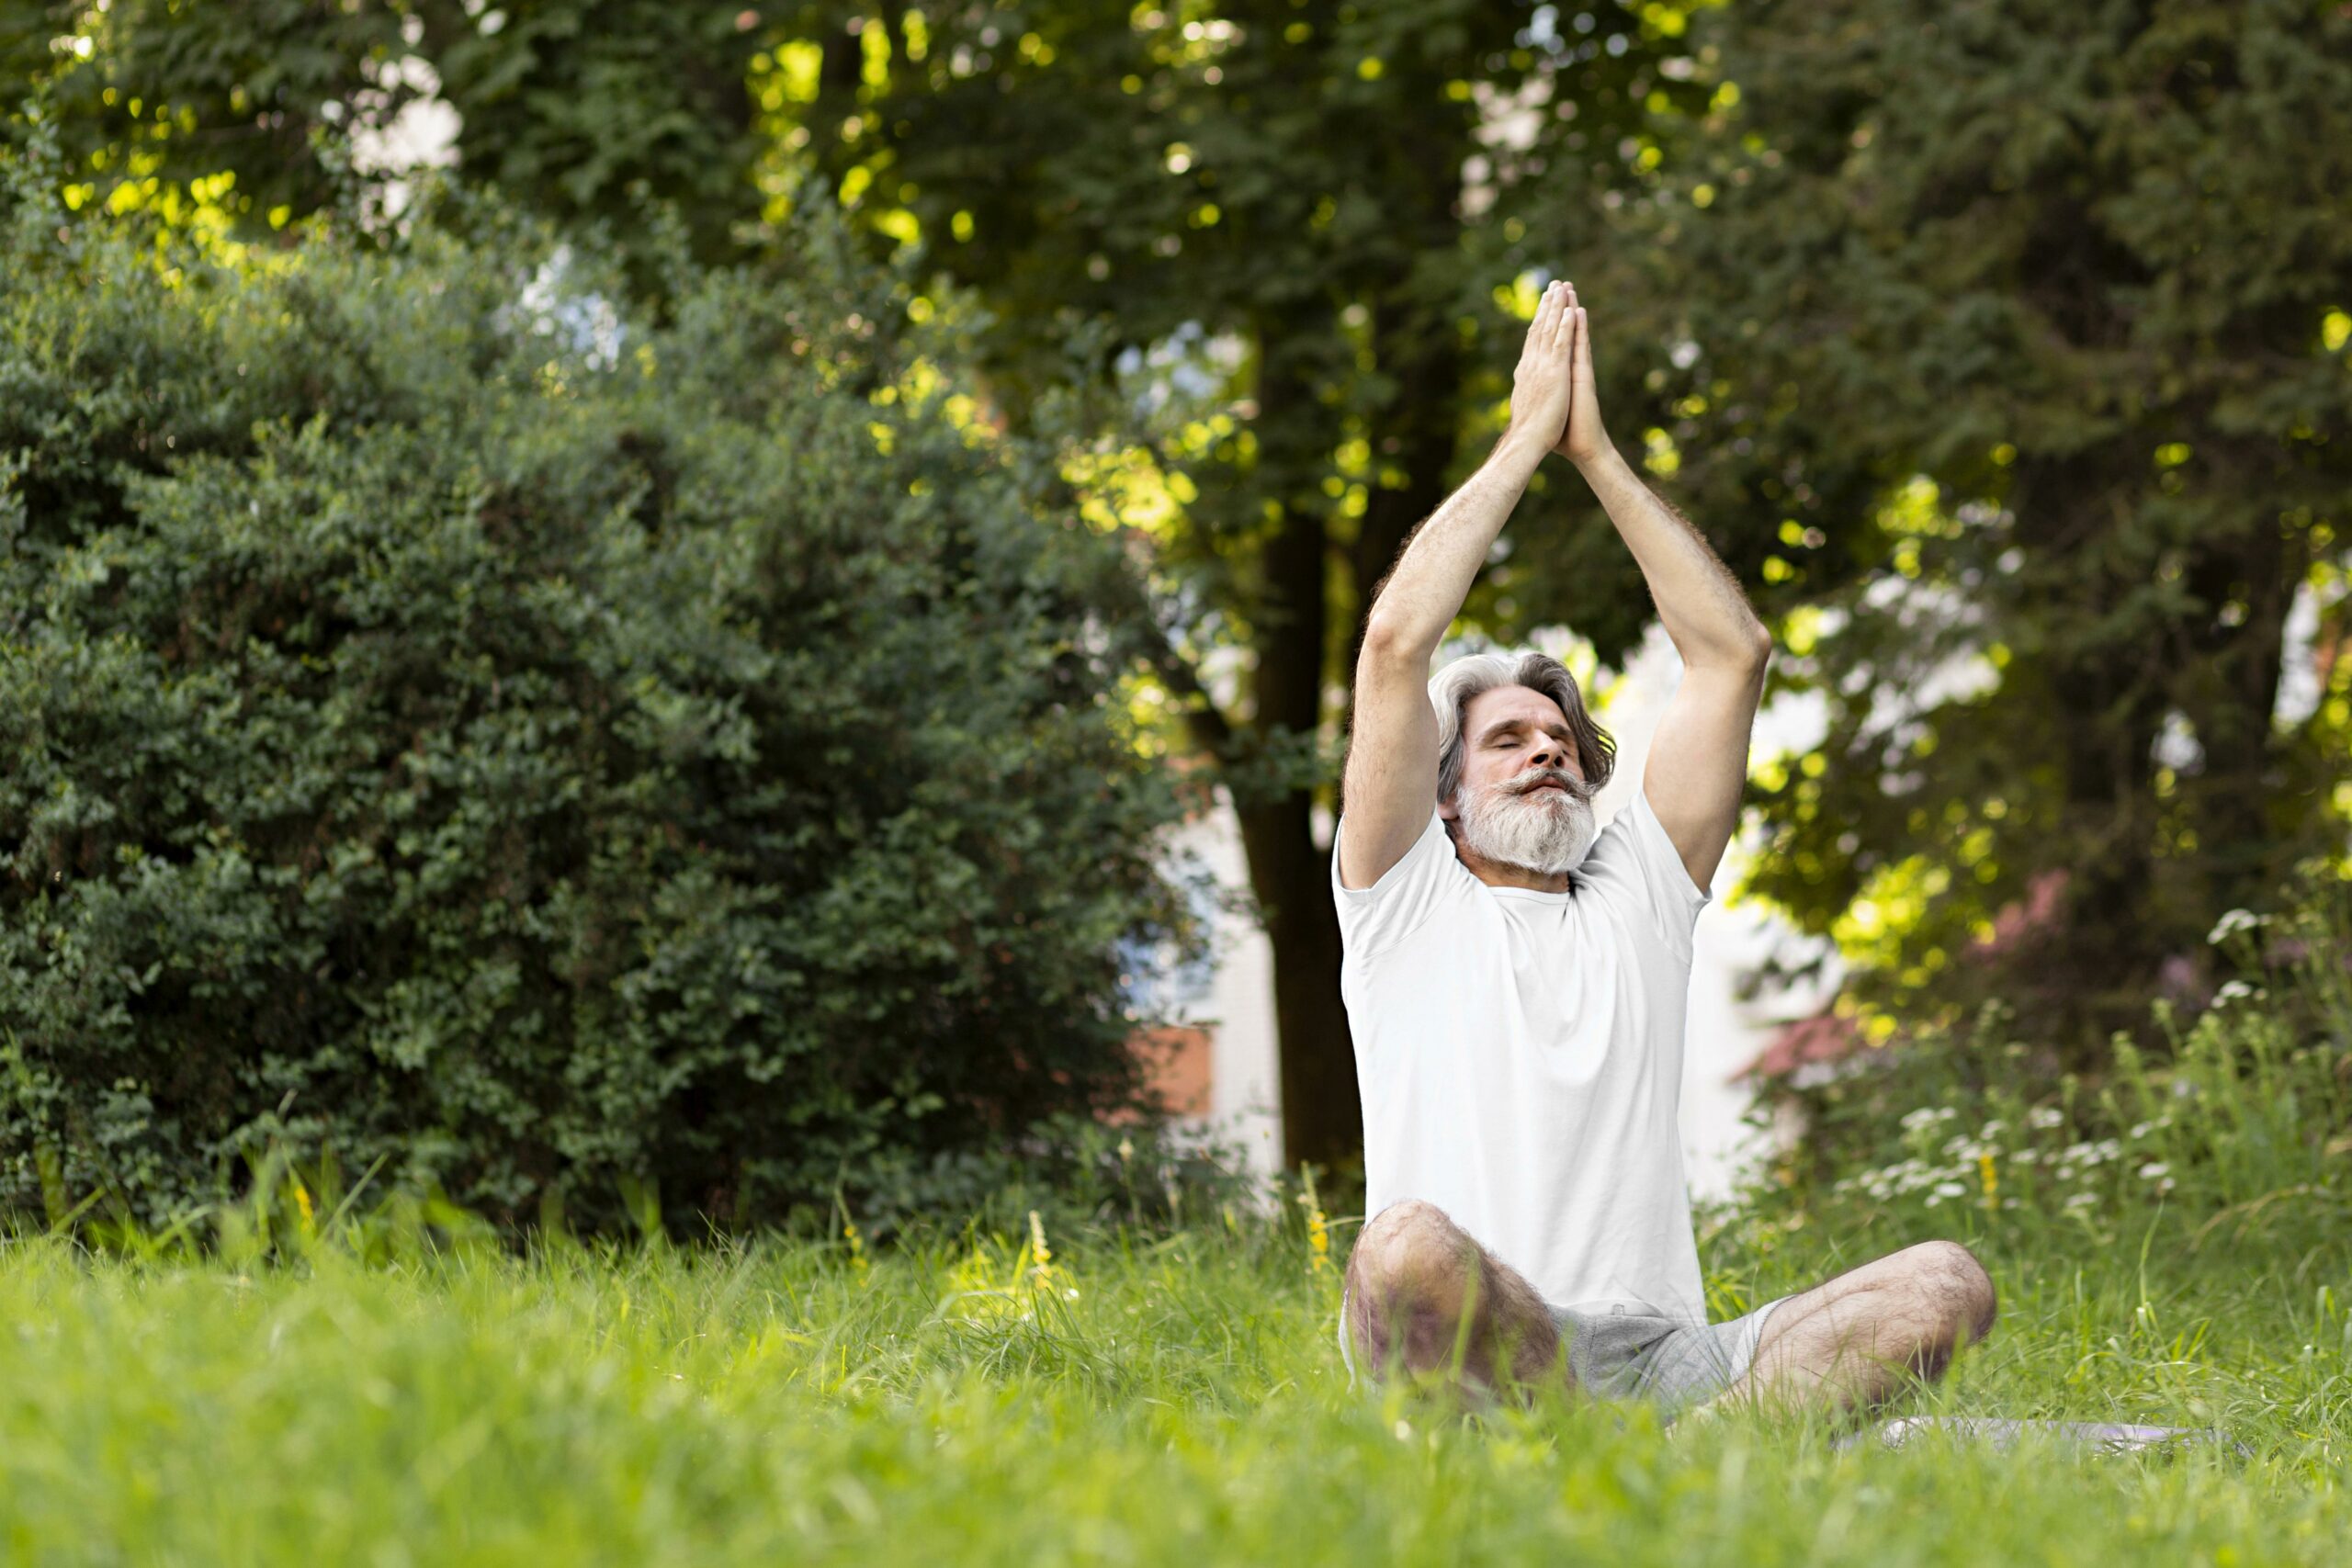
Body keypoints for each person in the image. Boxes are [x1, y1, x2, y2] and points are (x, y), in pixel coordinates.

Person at [1333, 276, 1996, 1417]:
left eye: (1561, 737)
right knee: (1402, 1248)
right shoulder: (1402, 901)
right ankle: (1621, 1460)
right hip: (1485, 1337)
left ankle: (1671, 1469)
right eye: (1505, 741)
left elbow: (1730, 651)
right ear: (1443, 797)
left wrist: (1594, 456)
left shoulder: (1637, 891)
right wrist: (1521, 443)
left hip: (1667, 1361)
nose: (1546, 751)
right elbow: (1395, 642)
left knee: (1944, 1282)